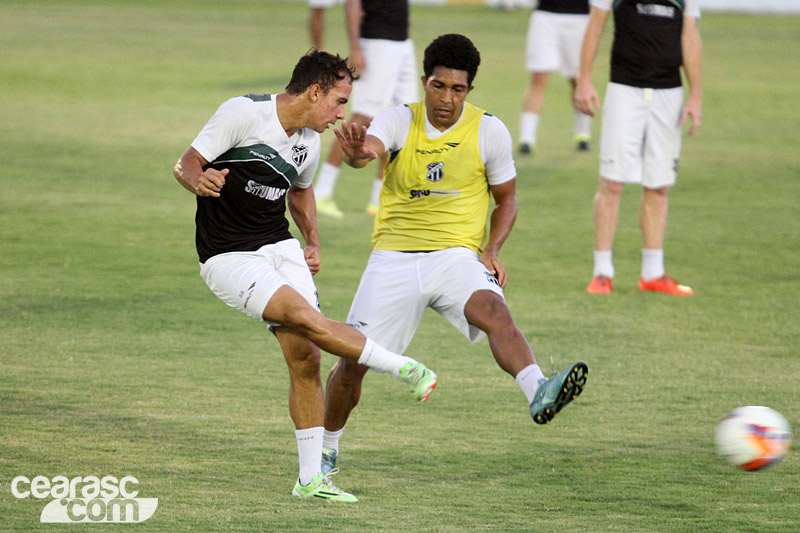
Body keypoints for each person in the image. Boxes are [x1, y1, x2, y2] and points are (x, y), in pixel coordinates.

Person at [172, 50, 437, 503]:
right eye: (338, 102)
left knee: (307, 357)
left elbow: (301, 190)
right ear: (314, 92)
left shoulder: (308, 140)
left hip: (280, 247)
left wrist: (311, 240)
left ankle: (310, 480)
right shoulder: (242, 113)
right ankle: (404, 367)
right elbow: (187, 162)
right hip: (228, 256)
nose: (342, 114)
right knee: (307, 318)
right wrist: (199, 181)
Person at [321, 34, 589, 474]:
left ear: (470, 90)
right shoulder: (397, 119)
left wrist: (491, 249)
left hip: (456, 256)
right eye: (438, 86)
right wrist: (355, 154)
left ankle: (539, 389)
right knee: (351, 364)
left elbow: (508, 200)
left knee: (495, 311)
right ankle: (326, 450)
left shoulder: (489, 131)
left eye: (457, 89)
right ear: (424, 82)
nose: (446, 98)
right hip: (394, 256)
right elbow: (368, 149)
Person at [574, 0, 702, 295]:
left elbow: (690, 35)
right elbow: (596, 24)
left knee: (660, 185)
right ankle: (602, 271)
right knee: (612, 182)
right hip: (624, 90)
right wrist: (583, 80)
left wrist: (695, 94)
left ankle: (653, 273)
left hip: (669, 94)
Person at [313, 0, 418, 218]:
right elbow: (352, 2)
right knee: (363, 118)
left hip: (403, 42)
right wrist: (355, 47)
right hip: (376, 43)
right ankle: (322, 191)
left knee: (403, 118)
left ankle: (379, 200)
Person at [519, 0, 593, 155]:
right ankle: (526, 138)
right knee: (539, 76)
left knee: (578, 79)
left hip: (580, 17)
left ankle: (583, 134)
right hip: (546, 15)